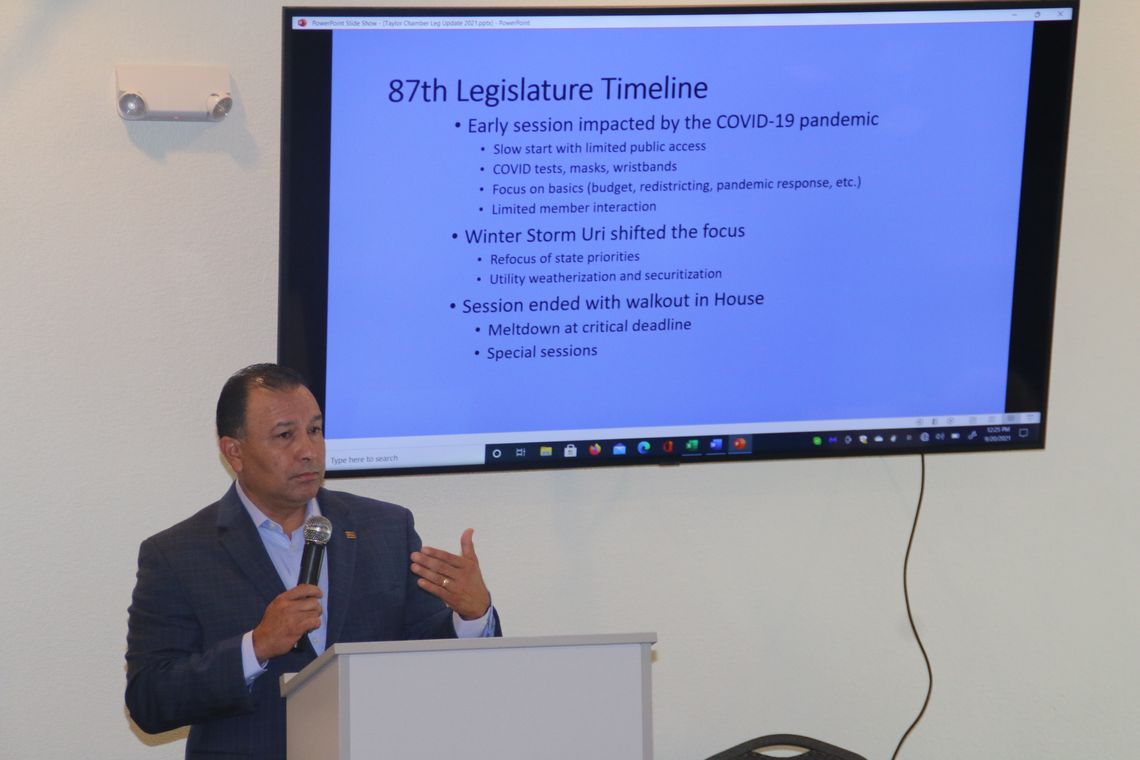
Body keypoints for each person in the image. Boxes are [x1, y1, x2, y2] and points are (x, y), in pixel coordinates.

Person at [126, 363, 500, 759]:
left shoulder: (386, 528)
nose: (308, 450)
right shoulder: (177, 554)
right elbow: (150, 700)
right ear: (234, 451)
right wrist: (256, 647)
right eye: (285, 435)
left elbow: (426, 659)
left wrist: (473, 617)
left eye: (315, 431)